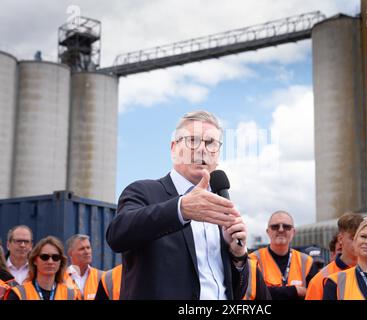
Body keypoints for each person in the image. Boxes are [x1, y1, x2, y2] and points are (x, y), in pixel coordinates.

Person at [106, 110, 249, 300]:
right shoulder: (143, 191)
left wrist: (238, 256)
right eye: (192, 140)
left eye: (210, 143)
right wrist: (180, 208)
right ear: (173, 148)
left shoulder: (222, 209)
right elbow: (117, 234)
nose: (202, 149)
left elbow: (234, 292)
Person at [249, 210, 318, 300]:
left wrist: (271, 291)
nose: (281, 229)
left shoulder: (306, 262)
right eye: (275, 226)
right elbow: (253, 293)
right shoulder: (253, 260)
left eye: (286, 226)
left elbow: (315, 294)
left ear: (293, 232)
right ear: (268, 231)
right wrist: (295, 290)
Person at [305, 212, 363, 300]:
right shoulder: (320, 280)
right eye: (353, 238)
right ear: (340, 239)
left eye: (362, 237)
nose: (359, 242)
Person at [5, 236, 80, 300]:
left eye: (55, 257)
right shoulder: (19, 294)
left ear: (60, 262)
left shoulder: (71, 295)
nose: (50, 262)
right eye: (45, 257)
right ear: (35, 260)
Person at [64, 234, 104, 300]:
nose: (87, 252)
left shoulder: (102, 277)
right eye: (81, 249)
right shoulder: (61, 278)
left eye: (88, 248)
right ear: (70, 253)